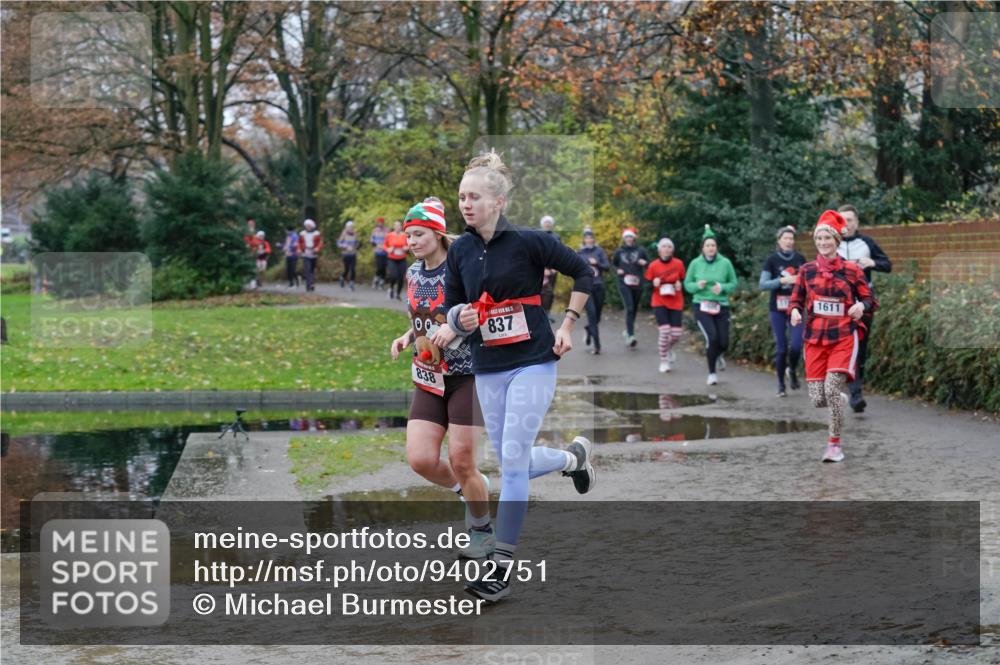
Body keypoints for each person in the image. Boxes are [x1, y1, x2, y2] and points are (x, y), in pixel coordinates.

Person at [445, 149, 596, 602]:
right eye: (461, 197)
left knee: (511, 461)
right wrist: (459, 318)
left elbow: (585, 272)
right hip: (488, 365)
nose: (466, 205)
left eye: (474, 197)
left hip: (533, 360)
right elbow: (449, 306)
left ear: (499, 202)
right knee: (513, 461)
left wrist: (568, 324)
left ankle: (501, 565)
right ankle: (573, 459)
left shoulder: (530, 242)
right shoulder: (461, 250)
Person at [389, 198, 492, 558]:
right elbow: (421, 314)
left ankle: (482, 531)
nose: (412, 242)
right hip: (429, 375)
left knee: (463, 460)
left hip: (467, 374)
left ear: (436, 233)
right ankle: (468, 491)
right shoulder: (414, 272)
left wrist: (454, 328)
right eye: (408, 236)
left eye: (418, 234)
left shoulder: (461, 265)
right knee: (420, 458)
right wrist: (407, 336)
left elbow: (481, 309)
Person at [789, 210, 875, 463]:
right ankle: (838, 398)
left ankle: (834, 445)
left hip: (843, 337)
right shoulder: (806, 271)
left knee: (831, 389)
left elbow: (869, 298)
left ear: (836, 241)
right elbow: (797, 298)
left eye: (828, 238)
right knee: (818, 399)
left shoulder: (851, 271)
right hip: (815, 337)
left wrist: (861, 307)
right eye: (819, 239)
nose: (823, 243)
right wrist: (794, 310)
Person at [836, 204, 891, 413]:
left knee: (862, 346)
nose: (847, 224)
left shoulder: (867, 242)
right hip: (841, 304)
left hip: (865, 301)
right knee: (850, 345)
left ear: (856, 222)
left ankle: (855, 388)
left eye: (850, 220)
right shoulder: (832, 244)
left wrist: (872, 263)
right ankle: (856, 392)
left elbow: (887, 264)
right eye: (842, 220)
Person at [684, 225, 737, 385]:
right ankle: (712, 373)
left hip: (721, 305)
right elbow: (687, 284)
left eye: (713, 245)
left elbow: (733, 282)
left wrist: (722, 288)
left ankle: (718, 354)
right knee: (712, 338)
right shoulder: (695, 263)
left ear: (716, 248)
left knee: (724, 342)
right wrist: (696, 286)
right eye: (707, 245)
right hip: (702, 306)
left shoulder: (725, 263)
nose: (710, 248)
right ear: (703, 248)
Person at [759, 226, 807, 396]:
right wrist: (782, 280)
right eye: (785, 238)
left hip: (797, 308)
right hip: (777, 309)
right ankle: (780, 384)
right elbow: (763, 284)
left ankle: (792, 370)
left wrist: (801, 283)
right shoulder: (772, 260)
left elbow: (809, 282)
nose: (789, 241)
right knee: (781, 349)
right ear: (779, 241)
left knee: (796, 345)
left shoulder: (801, 259)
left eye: (791, 238)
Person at [645, 238, 686, 372]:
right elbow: (646, 285)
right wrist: (653, 283)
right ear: (659, 250)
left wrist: (680, 284)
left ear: (672, 250)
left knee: (676, 334)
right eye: (664, 247)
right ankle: (663, 361)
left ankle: (667, 349)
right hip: (659, 301)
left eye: (669, 247)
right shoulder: (653, 265)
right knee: (664, 331)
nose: (666, 249)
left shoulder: (679, 264)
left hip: (676, 301)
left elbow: (684, 280)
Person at [612, 227, 648, 347]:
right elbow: (614, 265)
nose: (629, 239)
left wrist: (645, 263)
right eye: (627, 237)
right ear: (624, 238)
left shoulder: (641, 250)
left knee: (635, 308)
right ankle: (631, 335)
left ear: (634, 238)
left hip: (638, 283)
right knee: (630, 308)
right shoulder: (619, 251)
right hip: (624, 283)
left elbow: (651, 265)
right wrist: (618, 270)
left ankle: (628, 330)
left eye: (630, 237)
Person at [577, 229, 610, 354]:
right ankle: (597, 346)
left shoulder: (599, 251)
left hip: (599, 286)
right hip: (586, 288)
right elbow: (574, 269)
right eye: (587, 238)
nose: (589, 240)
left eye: (591, 238)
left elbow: (607, 267)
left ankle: (589, 329)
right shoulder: (579, 253)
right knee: (591, 315)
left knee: (597, 317)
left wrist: (597, 263)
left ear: (593, 239)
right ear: (584, 240)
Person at [539, 215, 562, 322]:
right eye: (545, 222)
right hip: (540, 269)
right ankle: (539, 313)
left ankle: (548, 313)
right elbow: (537, 253)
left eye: (549, 222)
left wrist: (555, 267)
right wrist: (542, 268)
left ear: (552, 224)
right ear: (542, 224)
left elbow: (560, 252)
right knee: (540, 291)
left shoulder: (556, 236)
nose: (547, 224)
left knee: (550, 292)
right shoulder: (537, 235)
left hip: (553, 269)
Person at [384, 220, 408, 300]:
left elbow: (409, 244)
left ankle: (398, 294)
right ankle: (391, 288)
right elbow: (385, 245)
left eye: (399, 226)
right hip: (392, 259)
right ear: (394, 227)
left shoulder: (404, 235)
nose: (398, 227)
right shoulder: (389, 235)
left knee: (401, 277)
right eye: (396, 226)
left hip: (402, 258)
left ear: (401, 227)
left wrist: (406, 248)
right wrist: (388, 249)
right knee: (394, 275)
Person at [297, 219, 323, 292]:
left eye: (309, 226)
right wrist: (299, 249)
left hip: (313, 253)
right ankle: (309, 285)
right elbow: (299, 242)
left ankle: (311, 283)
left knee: (312, 269)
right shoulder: (302, 234)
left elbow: (320, 242)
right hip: (305, 252)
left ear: (312, 226)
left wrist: (317, 248)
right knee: (307, 269)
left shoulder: (316, 234)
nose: (308, 227)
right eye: (306, 226)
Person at [337, 220, 359, 291]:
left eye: (352, 227)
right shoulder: (344, 234)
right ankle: (342, 277)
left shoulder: (355, 233)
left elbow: (357, 243)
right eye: (349, 227)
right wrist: (346, 246)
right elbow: (339, 243)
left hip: (353, 254)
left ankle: (351, 283)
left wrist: (356, 246)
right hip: (345, 254)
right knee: (347, 269)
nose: (350, 228)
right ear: (346, 227)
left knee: (353, 269)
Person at [370, 217, 389, 290]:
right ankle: (376, 279)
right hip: (378, 251)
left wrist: (385, 246)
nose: (380, 223)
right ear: (377, 223)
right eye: (379, 222)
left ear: (383, 223)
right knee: (379, 267)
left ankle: (382, 282)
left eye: (381, 222)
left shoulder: (387, 230)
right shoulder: (375, 230)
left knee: (384, 267)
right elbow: (372, 240)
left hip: (385, 251)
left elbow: (389, 240)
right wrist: (377, 245)